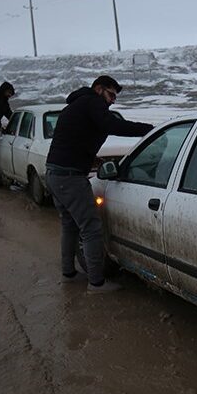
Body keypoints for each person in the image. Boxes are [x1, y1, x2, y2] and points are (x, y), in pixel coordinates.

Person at [46, 75, 153, 294]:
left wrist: (90, 159)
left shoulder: (76, 106)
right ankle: (96, 283)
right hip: (70, 177)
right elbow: (110, 124)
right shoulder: (92, 102)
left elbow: (73, 139)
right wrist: (148, 129)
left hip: (55, 174)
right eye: (111, 94)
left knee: (70, 225)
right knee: (92, 228)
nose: (113, 101)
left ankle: (68, 273)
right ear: (98, 89)